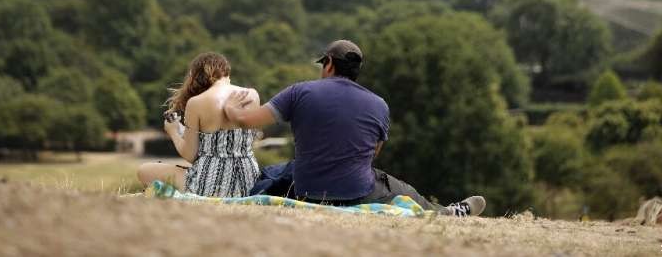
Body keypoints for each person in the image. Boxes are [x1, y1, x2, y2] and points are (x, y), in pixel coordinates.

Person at [223, 39, 486, 217]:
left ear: (328, 63)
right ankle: (447, 214)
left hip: (306, 190)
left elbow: (247, 121)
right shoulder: (379, 105)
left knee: (275, 172)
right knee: (402, 189)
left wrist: (232, 109)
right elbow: (371, 154)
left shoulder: (298, 92)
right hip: (357, 191)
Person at [137, 52, 261, 197]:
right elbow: (234, 142)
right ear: (226, 72)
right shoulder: (252, 95)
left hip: (209, 184)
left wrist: (173, 132)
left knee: (144, 170)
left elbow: (190, 155)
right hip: (249, 182)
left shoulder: (196, 102)